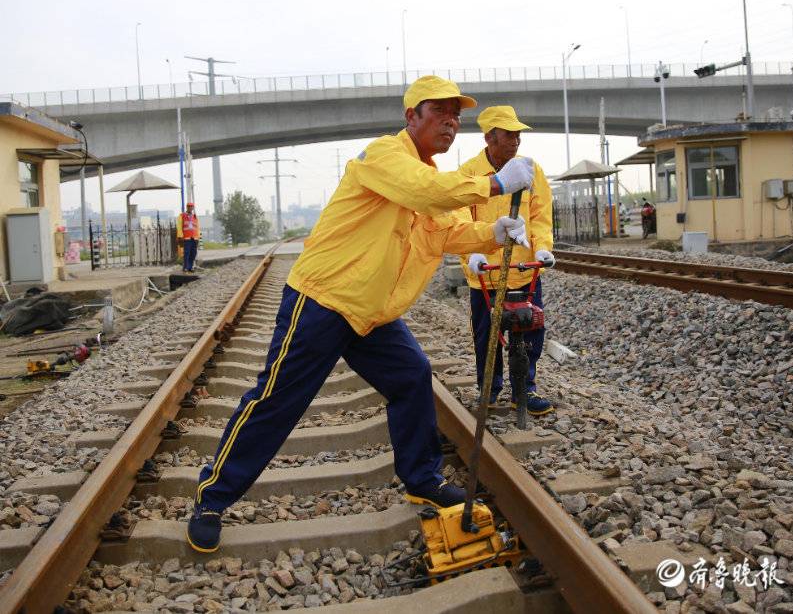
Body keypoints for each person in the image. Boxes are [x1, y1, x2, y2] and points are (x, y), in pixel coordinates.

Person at [186, 76, 534, 553]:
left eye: (457, 116)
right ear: (412, 116)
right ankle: (212, 498)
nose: (451, 123)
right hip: (324, 301)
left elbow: (449, 230)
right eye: (440, 112)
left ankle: (421, 478)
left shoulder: (432, 177)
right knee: (277, 400)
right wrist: (494, 182)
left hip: (373, 312)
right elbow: (429, 194)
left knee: (412, 376)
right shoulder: (385, 158)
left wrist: (495, 231)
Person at [454, 106, 555, 416]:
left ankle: (525, 389)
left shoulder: (530, 170)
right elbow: (458, 217)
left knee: (530, 329)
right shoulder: (469, 173)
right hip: (485, 274)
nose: (515, 141)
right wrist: (472, 254)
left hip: (524, 270)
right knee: (487, 337)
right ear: (489, 138)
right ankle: (490, 389)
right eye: (508, 135)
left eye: (518, 135)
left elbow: (540, 214)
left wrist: (542, 247)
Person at [177, 202, 201, 272]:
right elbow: (179, 226)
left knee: (193, 253)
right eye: (189, 206)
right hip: (186, 238)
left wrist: (198, 237)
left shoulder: (195, 217)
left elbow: (197, 227)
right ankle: (185, 267)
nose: (190, 208)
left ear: (193, 208)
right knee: (187, 253)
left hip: (194, 238)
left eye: (191, 206)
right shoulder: (182, 216)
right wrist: (180, 236)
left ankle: (190, 267)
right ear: (187, 207)